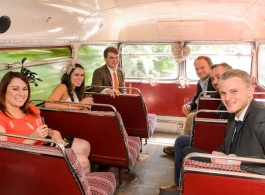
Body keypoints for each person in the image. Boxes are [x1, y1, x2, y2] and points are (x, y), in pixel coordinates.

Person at [161, 69, 265, 191]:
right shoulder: (234, 115)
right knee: (188, 151)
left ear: (250, 91)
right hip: (231, 170)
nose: (227, 98)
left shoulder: (260, 116)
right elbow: (224, 147)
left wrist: (232, 162)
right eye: (223, 93)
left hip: (247, 181)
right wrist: (217, 155)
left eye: (234, 91)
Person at [0, 71, 91, 173]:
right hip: (27, 156)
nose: (21, 93)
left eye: (24, 89)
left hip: (45, 144)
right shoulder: (1, 119)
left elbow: (43, 129)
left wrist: (54, 133)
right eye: (15, 89)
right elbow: (5, 157)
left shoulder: (31, 108)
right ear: (4, 91)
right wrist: (33, 138)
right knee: (82, 162)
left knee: (84, 146)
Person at [163, 56, 215, 155]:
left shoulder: (214, 80)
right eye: (197, 69)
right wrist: (189, 105)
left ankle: (182, 145)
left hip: (212, 110)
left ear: (210, 66)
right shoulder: (200, 82)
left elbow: (218, 93)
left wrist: (206, 98)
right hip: (204, 108)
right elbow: (196, 97)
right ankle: (188, 142)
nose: (200, 71)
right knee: (190, 112)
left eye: (202, 67)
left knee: (191, 116)